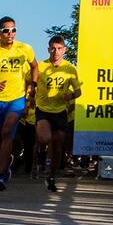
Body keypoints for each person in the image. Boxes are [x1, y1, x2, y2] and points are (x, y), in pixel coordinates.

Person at [0, 17, 38, 191]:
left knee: (7, 131)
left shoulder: (24, 48)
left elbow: (34, 66)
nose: (10, 33)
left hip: (16, 100)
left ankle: (2, 175)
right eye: (6, 30)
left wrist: (33, 86)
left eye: (13, 30)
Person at [35, 35, 83, 192]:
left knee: (58, 145)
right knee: (45, 138)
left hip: (60, 111)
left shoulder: (70, 68)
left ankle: (51, 175)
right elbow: (30, 84)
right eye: (53, 48)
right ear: (48, 49)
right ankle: (40, 152)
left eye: (59, 49)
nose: (56, 52)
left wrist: (69, 96)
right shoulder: (41, 66)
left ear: (64, 50)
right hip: (43, 109)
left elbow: (78, 91)